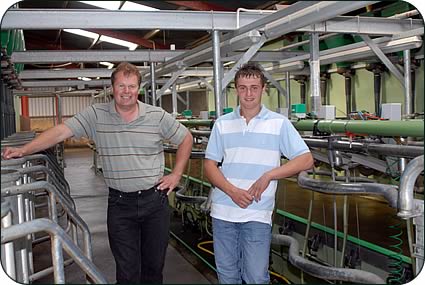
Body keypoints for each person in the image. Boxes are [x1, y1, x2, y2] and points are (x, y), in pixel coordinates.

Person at [2, 62, 193, 284]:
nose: (126, 91)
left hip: (155, 201)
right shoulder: (96, 114)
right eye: (121, 85)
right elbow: (60, 132)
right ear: (113, 87)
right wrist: (23, 150)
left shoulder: (156, 116)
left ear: (138, 88)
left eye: (131, 86)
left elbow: (185, 138)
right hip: (120, 204)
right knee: (127, 271)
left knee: (153, 268)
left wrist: (177, 174)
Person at [204, 62, 314, 284]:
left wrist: (269, 175)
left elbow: (306, 159)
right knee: (227, 276)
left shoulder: (279, 124)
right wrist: (232, 191)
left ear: (264, 89)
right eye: (243, 87)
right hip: (223, 212)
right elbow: (209, 165)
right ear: (236, 90)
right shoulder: (222, 124)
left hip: (257, 213)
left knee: (255, 277)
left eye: (254, 87)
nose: (248, 93)